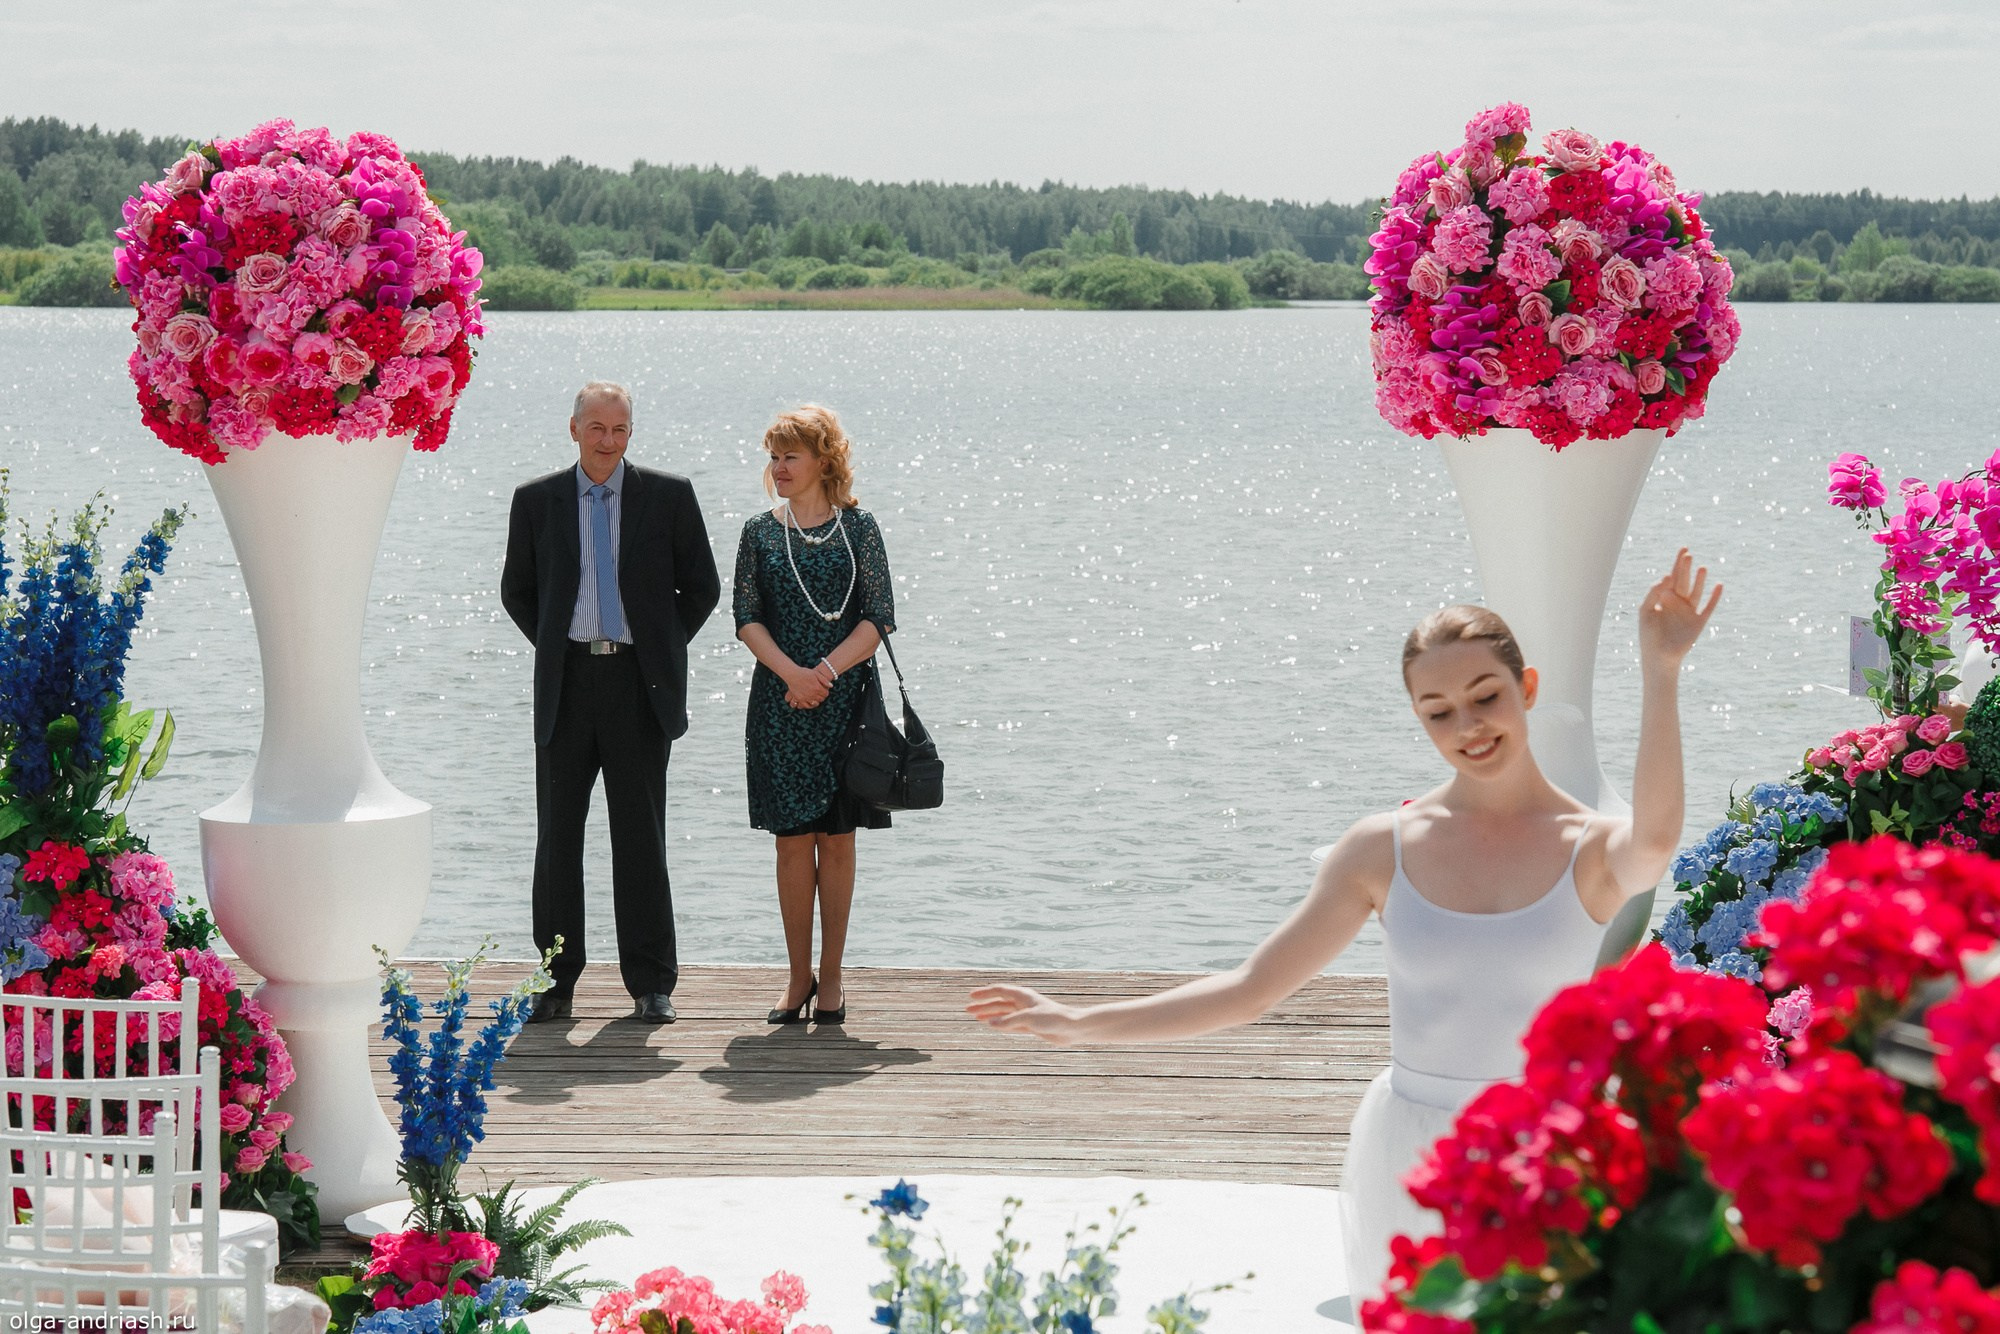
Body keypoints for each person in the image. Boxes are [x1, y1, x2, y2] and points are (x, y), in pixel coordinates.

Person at [967, 550, 1721, 1302]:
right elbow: (1252, 988)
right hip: (1412, 1152)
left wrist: (1661, 670)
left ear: (1526, 688)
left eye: (1486, 696)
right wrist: (1082, 1022)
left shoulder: (1589, 847)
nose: (1468, 726)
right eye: (1438, 711)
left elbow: (1655, 842)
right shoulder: (1380, 848)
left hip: (1547, 1148)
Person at [501, 381, 721, 1024]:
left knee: (640, 838)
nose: (608, 441)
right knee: (558, 842)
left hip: (638, 687)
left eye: (620, 429)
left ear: (631, 433)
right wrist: (557, 644)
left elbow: (702, 588)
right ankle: (555, 981)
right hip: (566, 685)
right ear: (573, 429)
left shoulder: (669, 496)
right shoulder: (536, 500)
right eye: (597, 427)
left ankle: (651, 984)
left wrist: (657, 647)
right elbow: (517, 591)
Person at [733, 405, 896, 1027]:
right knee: (791, 842)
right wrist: (793, 676)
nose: (778, 468)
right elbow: (746, 618)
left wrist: (823, 673)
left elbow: (879, 616)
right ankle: (797, 977)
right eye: (773, 457)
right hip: (780, 704)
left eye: (789, 456)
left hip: (846, 704)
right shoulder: (759, 532)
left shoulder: (861, 528)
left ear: (823, 461)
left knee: (839, 839)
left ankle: (832, 978)